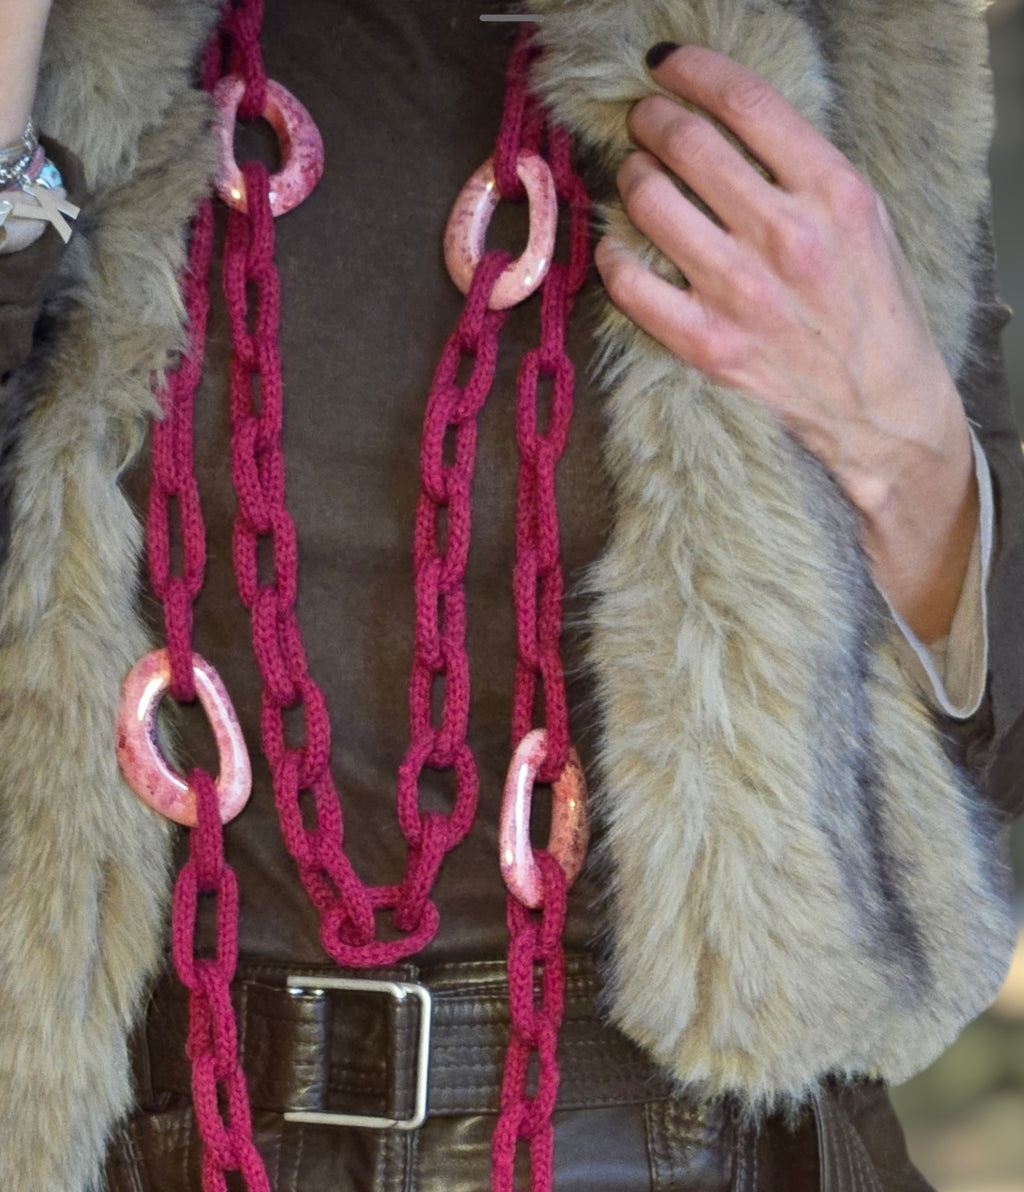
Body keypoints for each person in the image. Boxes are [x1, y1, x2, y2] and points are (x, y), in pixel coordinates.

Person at [0, 1, 1021, 1189]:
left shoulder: (834, 40)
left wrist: (907, 452)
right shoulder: (77, 50)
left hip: (672, 1148)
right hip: (144, 1140)